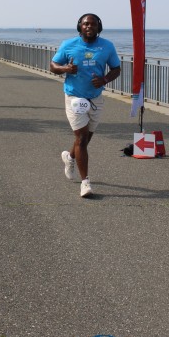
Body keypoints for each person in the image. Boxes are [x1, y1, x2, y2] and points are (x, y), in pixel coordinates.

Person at [50, 13, 121, 198]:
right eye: (85, 24)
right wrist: (65, 69)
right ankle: (85, 183)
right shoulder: (68, 45)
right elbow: (53, 65)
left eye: (93, 24)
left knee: (86, 138)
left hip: (95, 98)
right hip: (74, 97)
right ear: (79, 26)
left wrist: (104, 79)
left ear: (99, 27)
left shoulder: (107, 46)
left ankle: (70, 157)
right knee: (81, 139)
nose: (89, 27)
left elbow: (116, 68)